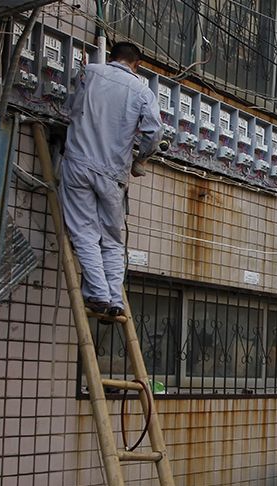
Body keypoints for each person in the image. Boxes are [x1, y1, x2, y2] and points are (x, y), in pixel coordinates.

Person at [60, 41, 162, 317]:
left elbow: (71, 108)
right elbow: (155, 133)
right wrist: (140, 159)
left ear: (111, 57)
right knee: (113, 240)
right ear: (136, 64)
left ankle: (99, 295)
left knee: (84, 232)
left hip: (79, 163)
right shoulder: (142, 90)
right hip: (114, 174)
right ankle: (115, 300)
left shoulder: (90, 72)